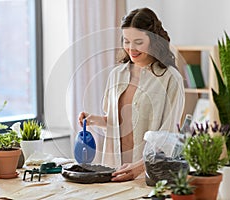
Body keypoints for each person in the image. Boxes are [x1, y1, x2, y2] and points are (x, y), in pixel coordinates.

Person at [78, 7, 184, 182]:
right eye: (126, 41)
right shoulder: (116, 75)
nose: (131, 48)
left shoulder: (170, 79)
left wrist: (138, 168)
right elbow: (118, 122)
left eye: (138, 42)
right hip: (111, 170)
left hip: (147, 175)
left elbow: (168, 137)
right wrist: (93, 120)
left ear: (153, 40)